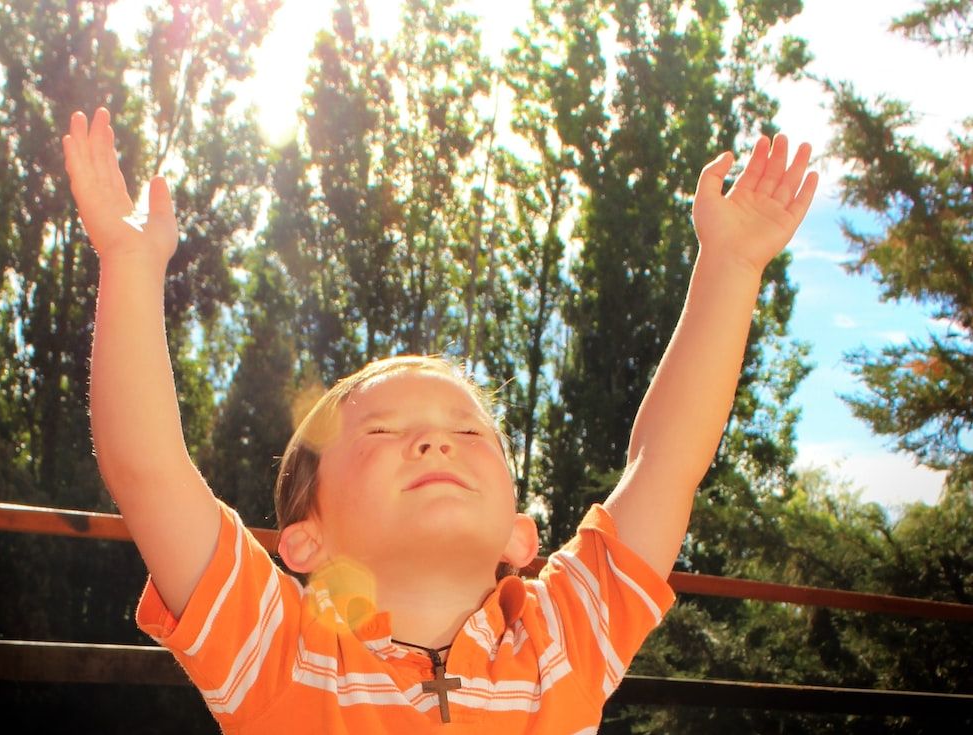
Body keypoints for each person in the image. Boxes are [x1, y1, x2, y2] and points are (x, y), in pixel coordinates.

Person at [63, 106, 817, 733]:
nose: (432, 439)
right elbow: (148, 466)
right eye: (382, 432)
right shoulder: (276, 652)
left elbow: (665, 460)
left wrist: (731, 263)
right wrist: (128, 263)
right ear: (305, 539)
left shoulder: (562, 638)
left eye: (467, 433)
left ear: (521, 534)